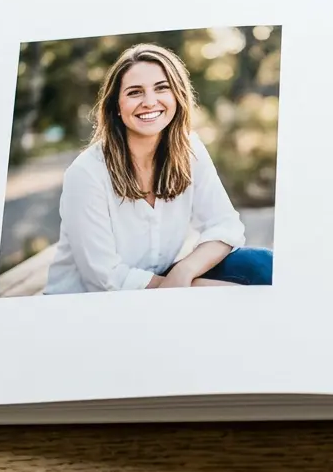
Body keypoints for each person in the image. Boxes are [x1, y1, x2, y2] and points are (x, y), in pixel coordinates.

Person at [44, 43, 273, 294]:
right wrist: (194, 289)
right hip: (91, 302)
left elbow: (225, 226)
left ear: (177, 95)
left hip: (160, 281)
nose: (150, 102)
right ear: (116, 106)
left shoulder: (189, 149)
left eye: (162, 88)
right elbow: (105, 277)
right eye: (134, 92)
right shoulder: (87, 173)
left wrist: (184, 272)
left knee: (262, 264)